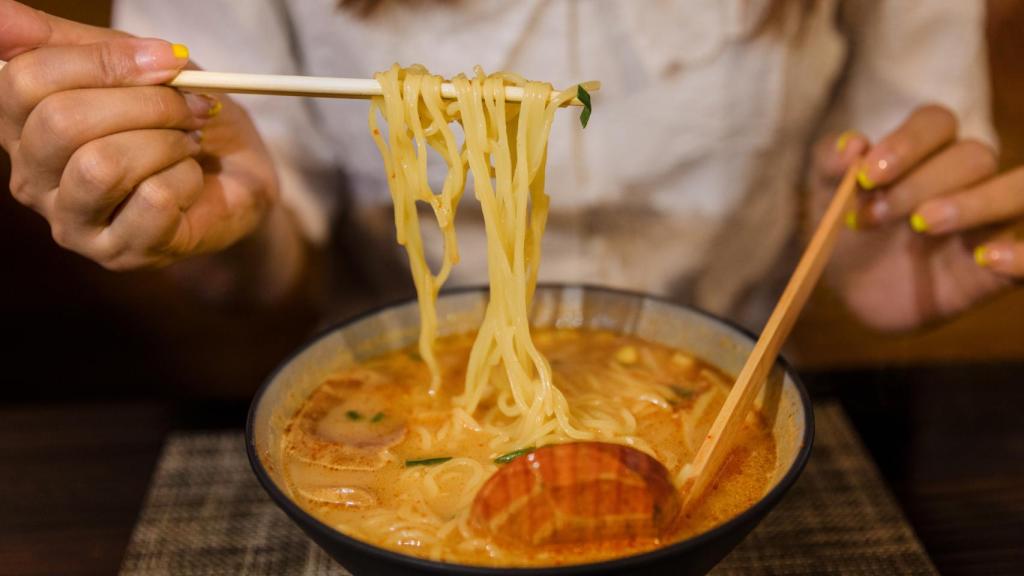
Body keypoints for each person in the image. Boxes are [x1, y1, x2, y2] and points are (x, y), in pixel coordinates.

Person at [0, 0, 1020, 333]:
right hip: (381, 398)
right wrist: (203, 215)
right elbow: (255, 259)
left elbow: (886, 168)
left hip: (721, 400)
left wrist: (859, 251)